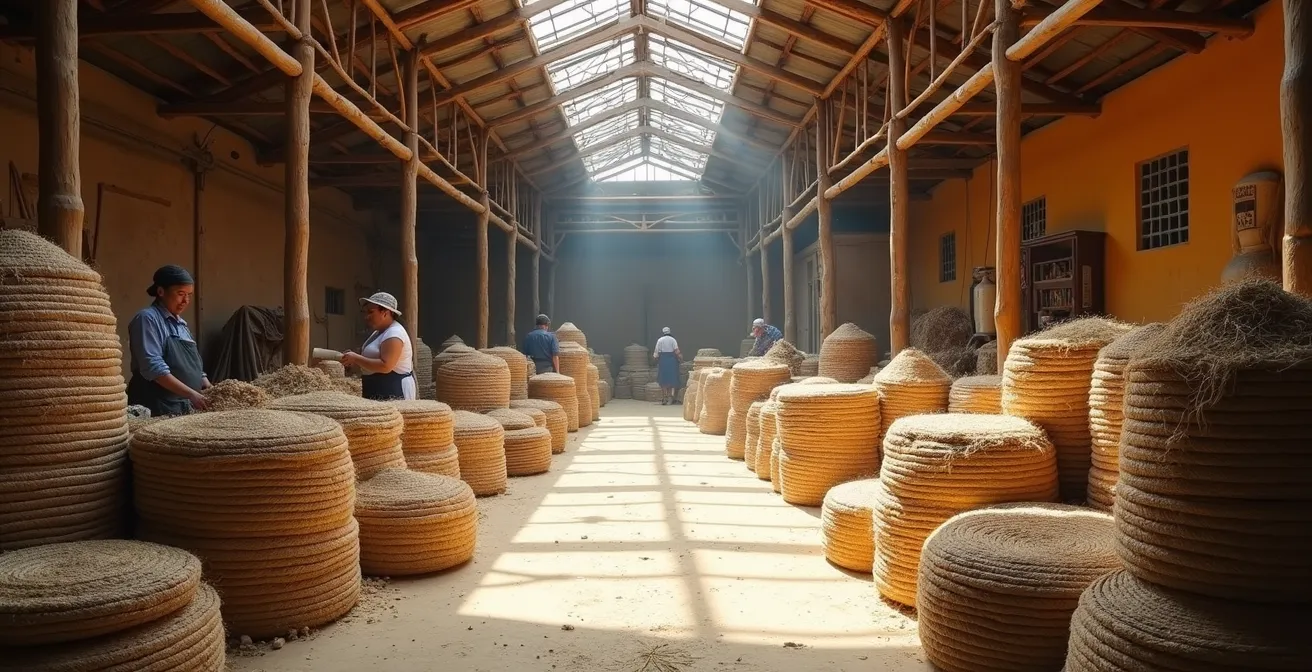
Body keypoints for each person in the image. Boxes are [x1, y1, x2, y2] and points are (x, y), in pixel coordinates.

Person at [127, 265, 210, 416]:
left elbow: (195, 364)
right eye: (180, 294)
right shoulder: (147, 319)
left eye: (189, 295)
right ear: (160, 292)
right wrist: (191, 394)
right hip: (157, 407)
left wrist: (208, 386)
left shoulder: (181, 325)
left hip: (181, 407)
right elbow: (154, 368)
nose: (186, 300)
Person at [342, 292, 415, 401]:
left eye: (371, 312)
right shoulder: (378, 332)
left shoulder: (395, 333)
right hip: (377, 388)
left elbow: (386, 366)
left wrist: (356, 358)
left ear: (385, 312)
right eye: (365, 312)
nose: (367, 317)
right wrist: (353, 358)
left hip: (393, 390)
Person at [652, 326, 682, 405]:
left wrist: (654, 360)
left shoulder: (660, 340)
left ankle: (664, 398)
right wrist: (680, 358)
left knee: (663, 379)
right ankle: (670, 397)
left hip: (663, 360)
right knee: (671, 378)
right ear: (669, 332)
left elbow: (656, 352)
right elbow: (677, 351)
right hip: (672, 361)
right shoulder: (673, 340)